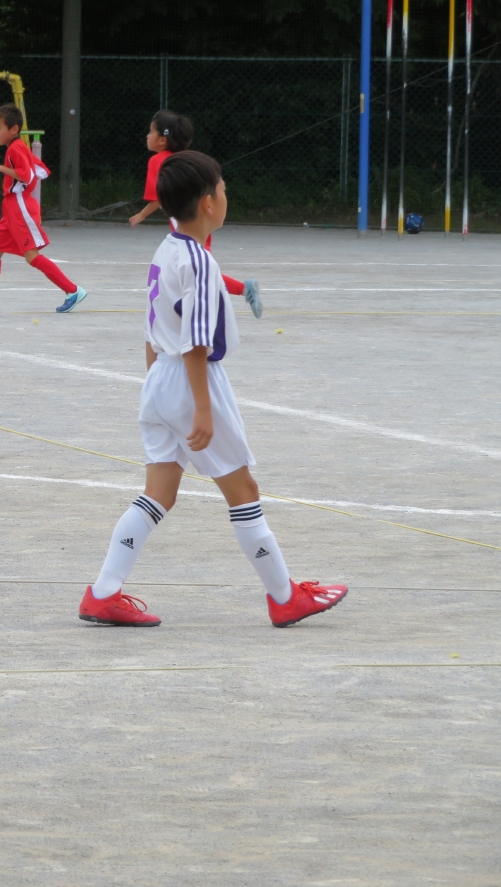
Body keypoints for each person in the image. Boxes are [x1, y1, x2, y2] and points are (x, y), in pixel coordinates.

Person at [78, 150, 344, 628]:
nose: (225, 196)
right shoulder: (199, 262)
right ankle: (285, 598)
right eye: (222, 189)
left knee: (158, 494)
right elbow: (197, 342)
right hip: (190, 381)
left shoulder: (166, 249)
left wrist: (158, 387)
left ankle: (102, 593)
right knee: (244, 491)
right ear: (207, 203)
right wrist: (201, 407)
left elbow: (152, 327)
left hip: (161, 379)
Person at [129, 109, 262, 319]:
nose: (147, 136)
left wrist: (141, 215)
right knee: (200, 266)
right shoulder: (184, 159)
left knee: (200, 267)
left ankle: (242, 289)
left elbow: (158, 197)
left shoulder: (157, 161)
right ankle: (240, 290)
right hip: (201, 218)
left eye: (151, 131)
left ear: (162, 139)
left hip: (187, 220)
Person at [0, 104, 87, 314]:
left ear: (14, 129)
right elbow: (36, 169)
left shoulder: (15, 148)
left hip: (19, 206)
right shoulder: (18, 147)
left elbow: (26, 176)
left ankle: (72, 291)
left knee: (31, 255)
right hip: (11, 207)